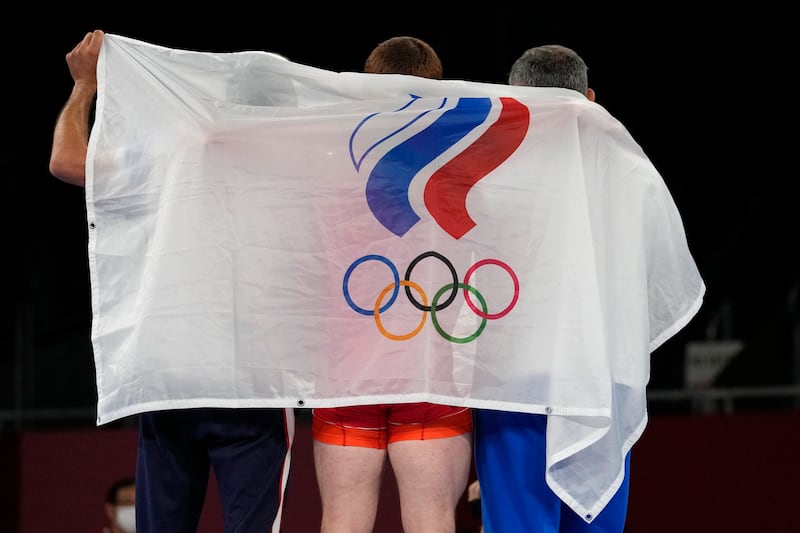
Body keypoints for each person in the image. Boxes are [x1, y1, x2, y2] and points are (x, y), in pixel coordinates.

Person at [49, 30, 295, 533]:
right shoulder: (301, 161)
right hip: (248, 380)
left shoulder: (168, 150)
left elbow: (65, 162)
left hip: (169, 370)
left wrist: (84, 86)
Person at [311, 36, 473, 533]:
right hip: (430, 369)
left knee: (343, 521)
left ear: (366, 89)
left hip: (346, 375)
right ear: (438, 89)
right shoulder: (463, 168)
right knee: (431, 520)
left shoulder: (324, 163)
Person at [472, 44, 631, 533]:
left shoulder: (483, 173)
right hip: (597, 376)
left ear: (513, 97)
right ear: (589, 97)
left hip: (516, 376)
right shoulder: (629, 170)